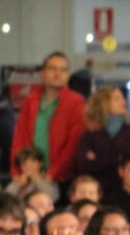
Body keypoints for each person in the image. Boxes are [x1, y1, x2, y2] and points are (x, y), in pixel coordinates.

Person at [11, 52, 86, 182]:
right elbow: (19, 139)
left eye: (63, 70)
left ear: (68, 75)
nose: (58, 74)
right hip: (29, 174)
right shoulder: (30, 101)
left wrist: (52, 173)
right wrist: (17, 171)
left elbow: (73, 145)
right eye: (53, 69)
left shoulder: (76, 102)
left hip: (63, 177)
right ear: (42, 73)